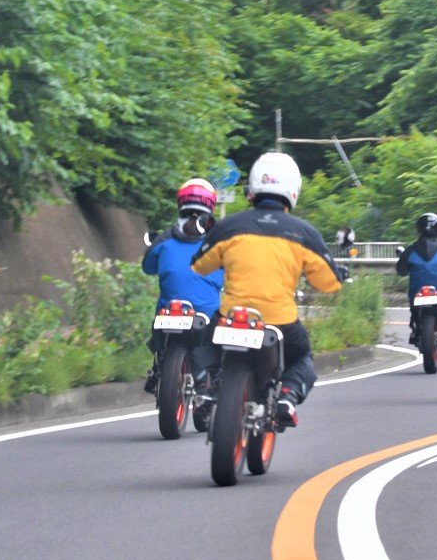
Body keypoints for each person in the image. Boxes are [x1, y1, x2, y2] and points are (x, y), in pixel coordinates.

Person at [191, 152, 343, 428]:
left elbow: (199, 265)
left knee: (205, 344)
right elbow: (329, 283)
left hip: (232, 316)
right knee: (301, 357)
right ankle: (287, 396)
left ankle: (205, 389)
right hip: (279, 321)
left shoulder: (229, 227)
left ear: (253, 188)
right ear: (293, 190)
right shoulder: (304, 233)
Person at [141, 178, 224, 394]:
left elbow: (148, 266)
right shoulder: (218, 241)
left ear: (181, 204)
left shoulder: (165, 239)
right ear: (211, 205)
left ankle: (158, 367)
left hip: (169, 309)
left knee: (159, 324)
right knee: (218, 343)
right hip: (206, 311)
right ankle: (209, 381)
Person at [394, 212, 437, 345]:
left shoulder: (410, 250)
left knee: (413, 308)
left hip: (417, 294)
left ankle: (415, 329)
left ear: (419, 228)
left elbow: (401, 270)